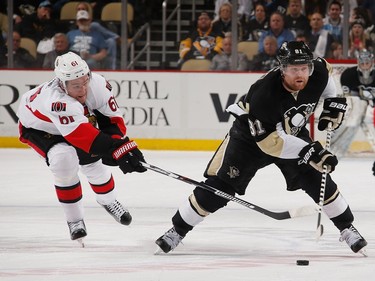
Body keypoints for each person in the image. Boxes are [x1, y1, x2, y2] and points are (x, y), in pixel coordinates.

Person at [155, 41, 368, 256]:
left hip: (291, 133)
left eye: (304, 68)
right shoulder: (264, 95)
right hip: (250, 141)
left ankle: (347, 228)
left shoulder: (318, 71)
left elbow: (327, 76)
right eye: (294, 69)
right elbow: (271, 144)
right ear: (282, 69)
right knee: (219, 189)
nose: (300, 74)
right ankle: (177, 231)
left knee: (317, 178)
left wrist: (332, 102)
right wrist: (309, 151)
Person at [16, 52, 147, 244]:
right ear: (62, 84)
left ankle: (108, 201)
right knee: (63, 161)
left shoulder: (98, 83)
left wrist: (121, 147)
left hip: (74, 125)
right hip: (40, 128)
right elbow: (85, 138)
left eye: (85, 82)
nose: (83, 89)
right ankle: (75, 220)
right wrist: (117, 150)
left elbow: (112, 121)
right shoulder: (57, 102)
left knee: (93, 163)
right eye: (76, 86)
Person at [331, 49, 375, 159]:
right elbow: (350, 100)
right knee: (351, 121)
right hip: (359, 106)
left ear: (372, 63)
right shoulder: (348, 75)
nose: (365, 66)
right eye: (362, 63)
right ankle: (335, 150)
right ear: (358, 63)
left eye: (367, 63)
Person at [76, 1, 120, 70]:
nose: (81, 11)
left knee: (111, 41)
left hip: (94, 51)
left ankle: (111, 69)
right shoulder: (71, 31)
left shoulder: (94, 26)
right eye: (79, 9)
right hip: (75, 57)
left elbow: (103, 51)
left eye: (83, 9)